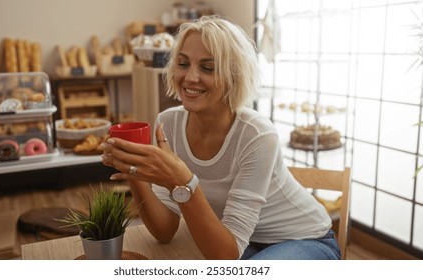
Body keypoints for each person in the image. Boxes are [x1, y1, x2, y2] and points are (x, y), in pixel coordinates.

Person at [101, 15, 340, 260]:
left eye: (207, 68)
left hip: (303, 238)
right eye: (183, 64)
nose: (191, 77)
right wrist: (135, 170)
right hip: (237, 240)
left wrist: (182, 182)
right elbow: (164, 230)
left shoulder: (257, 135)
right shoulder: (168, 124)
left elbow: (225, 256)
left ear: (233, 77)